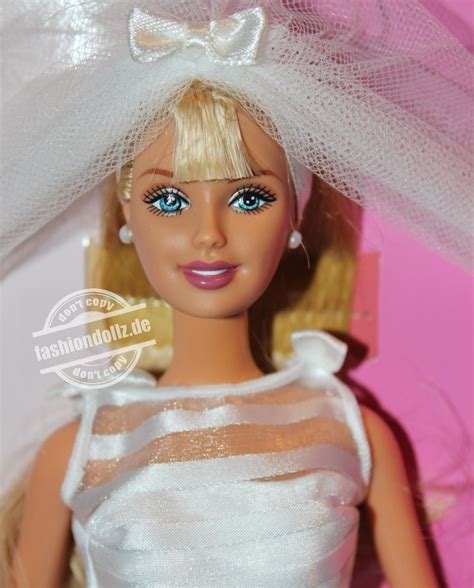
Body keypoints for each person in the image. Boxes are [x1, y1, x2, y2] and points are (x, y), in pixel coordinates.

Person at [1, 1, 471, 586]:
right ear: (127, 215)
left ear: (295, 213)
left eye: (250, 199)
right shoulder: (83, 451)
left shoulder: (347, 432)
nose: (209, 234)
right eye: (168, 200)